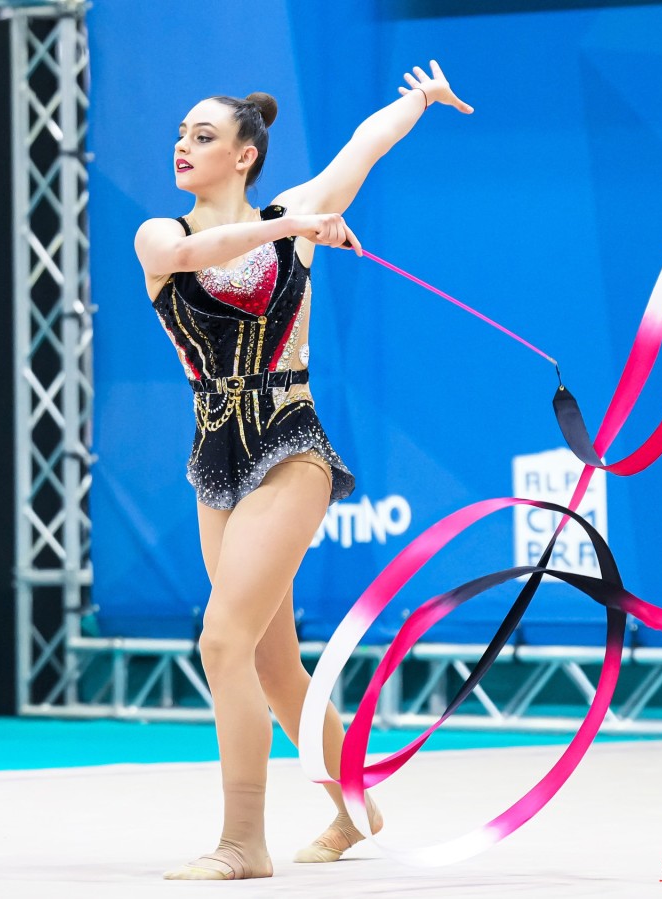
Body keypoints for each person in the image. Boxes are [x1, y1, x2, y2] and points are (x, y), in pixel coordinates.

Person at [132, 61, 473, 881]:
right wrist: (295, 227)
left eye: (203, 135)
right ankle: (356, 804)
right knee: (269, 661)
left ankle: (242, 841)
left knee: (223, 640)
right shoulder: (159, 236)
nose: (183, 145)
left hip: (290, 444)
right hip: (217, 455)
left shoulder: (295, 216)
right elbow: (201, 251)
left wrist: (419, 101)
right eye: (181, 134)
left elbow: (364, 146)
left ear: (244, 155)